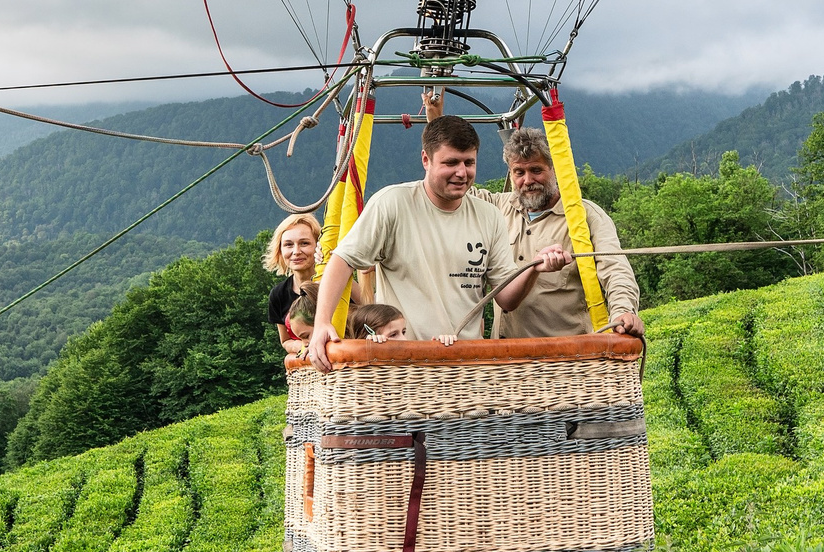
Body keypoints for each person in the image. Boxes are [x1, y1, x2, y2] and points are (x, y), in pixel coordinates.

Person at [308, 115, 569, 369]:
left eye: (469, 163)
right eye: (451, 163)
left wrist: (534, 268)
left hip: (465, 365)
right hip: (404, 362)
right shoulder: (393, 203)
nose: (461, 172)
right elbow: (342, 260)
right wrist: (322, 323)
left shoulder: (489, 216)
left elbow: (507, 299)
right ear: (426, 159)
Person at [491, 128, 644, 340]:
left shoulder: (585, 216)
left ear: (555, 169)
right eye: (519, 172)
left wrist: (623, 311)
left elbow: (615, 269)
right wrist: (435, 117)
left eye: (536, 170)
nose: (527, 180)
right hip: (505, 357)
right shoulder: (497, 208)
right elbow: (455, 188)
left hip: (566, 356)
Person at [263, 213, 322, 355]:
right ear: (280, 250)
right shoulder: (278, 295)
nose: (296, 252)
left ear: (318, 246)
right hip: (305, 372)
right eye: (289, 245)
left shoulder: (336, 284)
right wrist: (302, 347)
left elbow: (365, 308)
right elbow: (285, 341)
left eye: (304, 243)